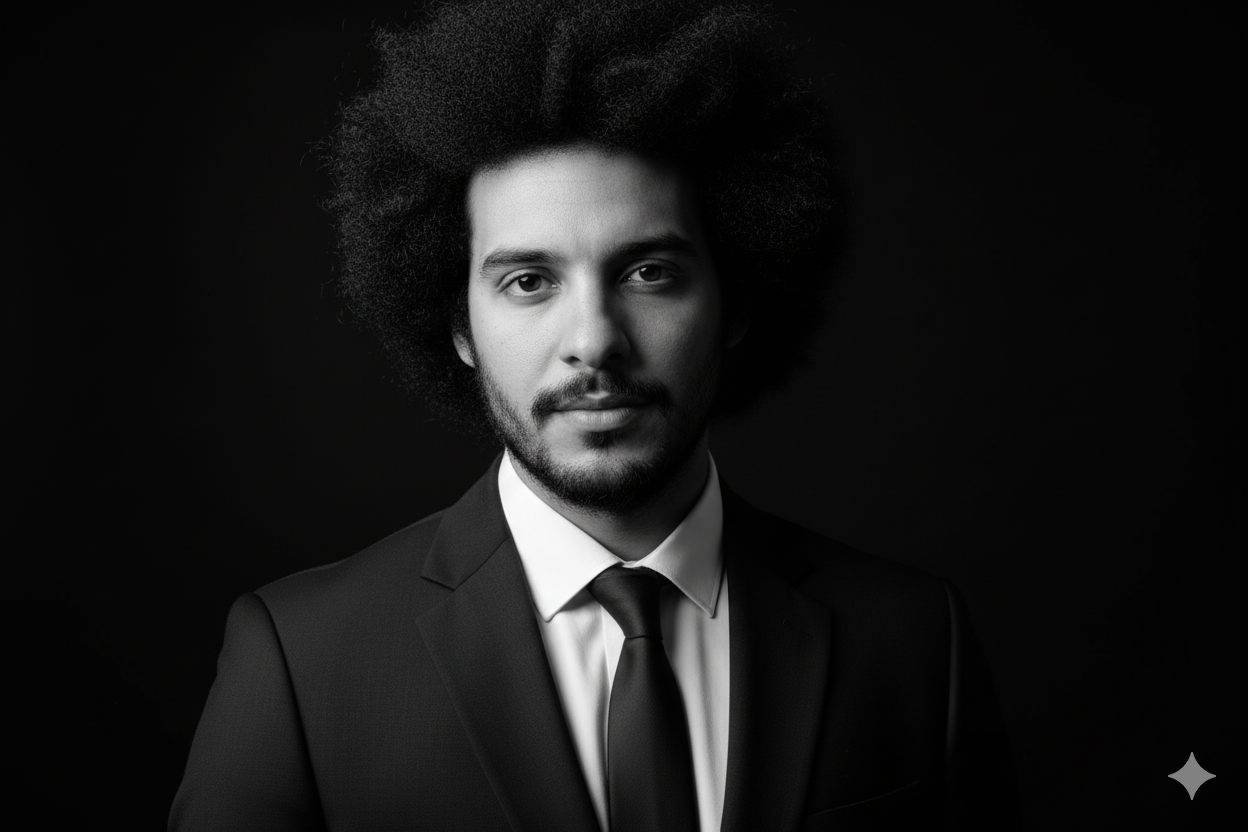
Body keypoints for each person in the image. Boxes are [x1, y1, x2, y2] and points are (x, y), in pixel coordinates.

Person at [171, 1, 1019, 829]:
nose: (595, 341)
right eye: (529, 282)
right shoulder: (301, 659)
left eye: (648, 271)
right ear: (460, 325)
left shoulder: (911, 642)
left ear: (735, 304)